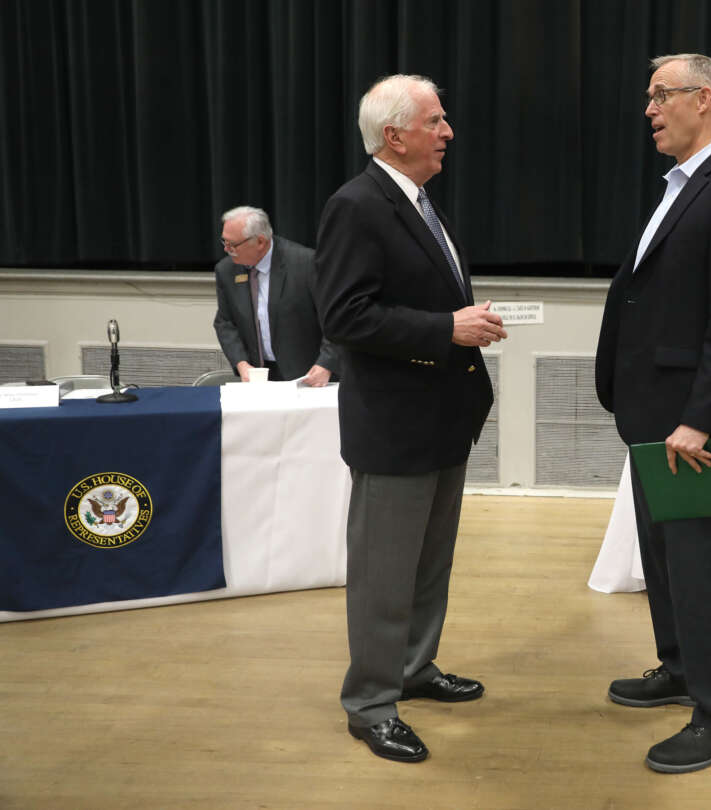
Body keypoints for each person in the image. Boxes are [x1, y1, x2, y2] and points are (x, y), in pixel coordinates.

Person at [313, 74, 506, 764]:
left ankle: (413, 669)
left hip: (440, 419)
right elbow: (343, 316)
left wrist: (459, 326)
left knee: (428, 568)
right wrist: (444, 329)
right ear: (394, 136)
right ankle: (369, 704)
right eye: (435, 120)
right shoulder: (357, 206)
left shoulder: (417, 202)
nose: (448, 131)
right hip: (394, 426)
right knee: (383, 576)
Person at [594, 53, 711, 774]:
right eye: (648, 96)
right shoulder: (680, 187)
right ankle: (680, 669)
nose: (649, 109)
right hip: (652, 413)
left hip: (691, 423)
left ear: (704, 100)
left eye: (660, 95)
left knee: (696, 565)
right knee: (663, 561)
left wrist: (701, 417)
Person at [212, 206, 338, 385]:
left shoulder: (306, 264)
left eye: (233, 244)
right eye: (224, 242)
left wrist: (326, 363)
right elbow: (225, 322)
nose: (226, 249)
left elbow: (336, 318)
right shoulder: (226, 270)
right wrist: (241, 363)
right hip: (259, 377)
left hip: (309, 375)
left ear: (261, 242)